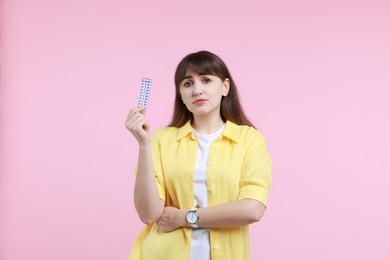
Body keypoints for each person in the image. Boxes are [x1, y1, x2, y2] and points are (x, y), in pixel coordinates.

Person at [125, 50, 272, 260]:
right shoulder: (160, 140)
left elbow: (252, 209)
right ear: (181, 96)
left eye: (206, 80)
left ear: (225, 87)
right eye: (188, 83)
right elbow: (149, 214)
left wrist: (184, 217)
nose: (197, 90)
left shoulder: (250, 140)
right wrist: (143, 145)